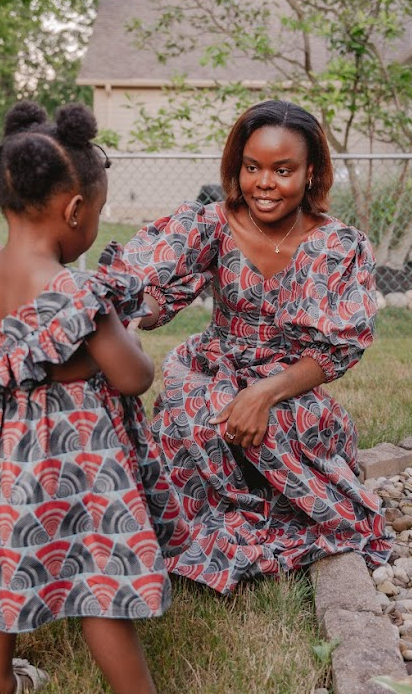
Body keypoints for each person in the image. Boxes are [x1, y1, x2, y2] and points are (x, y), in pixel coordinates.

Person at [0, 100, 202, 694]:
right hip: (73, 461)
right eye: (96, 216)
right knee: (98, 575)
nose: (93, 227)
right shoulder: (75, 292)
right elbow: (134, 377)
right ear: (75, 210)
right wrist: (111, 340)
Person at [123, 99, 393, 594]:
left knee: (282, 428)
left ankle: (274, 507)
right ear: (237, 167)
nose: (264, 183)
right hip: (216, 363)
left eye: (282, 170)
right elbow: (157, 292)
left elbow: (336, 351)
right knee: (197, 412)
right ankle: (198, 524)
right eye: (252, 167)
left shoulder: (338, 245)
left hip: (292, 381)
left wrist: (265, 393)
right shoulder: (212, 224)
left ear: (311, 173)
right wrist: (131, 313)